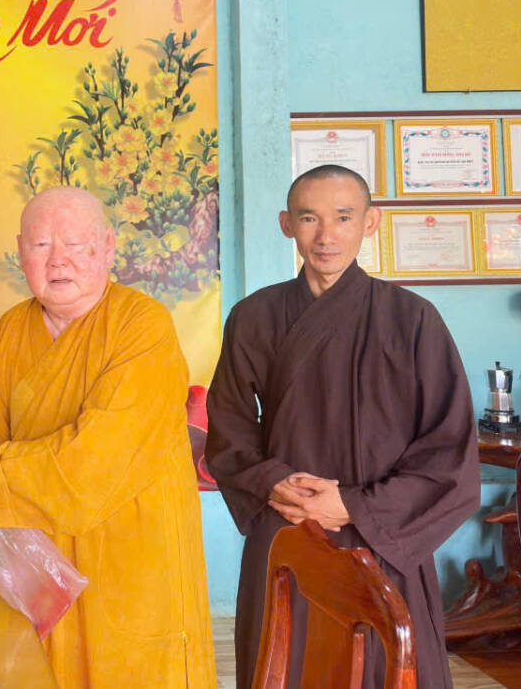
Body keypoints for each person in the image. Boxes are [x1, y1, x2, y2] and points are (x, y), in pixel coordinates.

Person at [0, 186, 215, 688]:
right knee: (39, 671)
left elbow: (99, 457)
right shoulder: (14, 327)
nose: (58, 260)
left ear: (108, 246)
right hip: (38, 561)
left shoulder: (142, 326)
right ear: (20, 253)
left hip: (127, 554)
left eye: (75, 244)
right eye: (40, 246)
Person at [205, 164, 480, 689]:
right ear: (287, 223)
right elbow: (229, 426)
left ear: (370, 223)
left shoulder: (413, 318)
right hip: (287, 526)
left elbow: (449, 451)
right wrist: (272, 482)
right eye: (309, 218)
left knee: (388, 667)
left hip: (381, 535)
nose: (325, 236)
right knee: (283, 664)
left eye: (343, 217)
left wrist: (354, 505)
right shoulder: (253, 316)